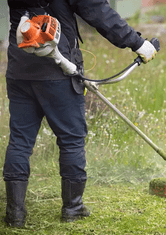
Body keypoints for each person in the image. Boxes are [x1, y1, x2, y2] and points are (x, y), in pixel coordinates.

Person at [4, 0, 157, 228]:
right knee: (71, 140)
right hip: (57, 67)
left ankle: (15, 214)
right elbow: (96, 10)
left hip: (20, 67)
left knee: (19, 141)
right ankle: (73, 208)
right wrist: (138, 43)